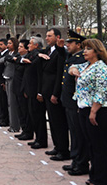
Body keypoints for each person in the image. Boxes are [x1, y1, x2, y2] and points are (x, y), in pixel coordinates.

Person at [69, 38, 107, 185]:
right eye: (84, 49)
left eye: (88, 49)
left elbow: (101, 92)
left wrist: (93, 111)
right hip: (83, 108)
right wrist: (74, 70)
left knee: (99, 146)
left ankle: (101, 180)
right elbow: (72, 67)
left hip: (97, 111)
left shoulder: (101, 68)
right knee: (91, 145)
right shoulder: (86, 65)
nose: (84, 52)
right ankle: (94, 176)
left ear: (97, 51)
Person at [38, 28, 69, 161]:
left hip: (53, 92)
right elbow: (34, 52)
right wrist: (39, 55)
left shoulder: (61, 52)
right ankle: (57, 146)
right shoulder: (48, 51)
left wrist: (56, 93)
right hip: (46, 90)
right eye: (46, 36)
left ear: (57, 37)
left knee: (59, 122)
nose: (46, 38)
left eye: (49, 36)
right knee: (52, 121)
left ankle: (63, 150)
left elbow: (59, 75)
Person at [60, 30, 89, 176]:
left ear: (79, 44)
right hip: (69, 101)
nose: (67, 45)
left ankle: (81, 163)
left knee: (79, 134)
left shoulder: (81, 58)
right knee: (74, 133)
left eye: (70, 43)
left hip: (76, 101)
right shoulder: (72, 56)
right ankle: (76, 161)